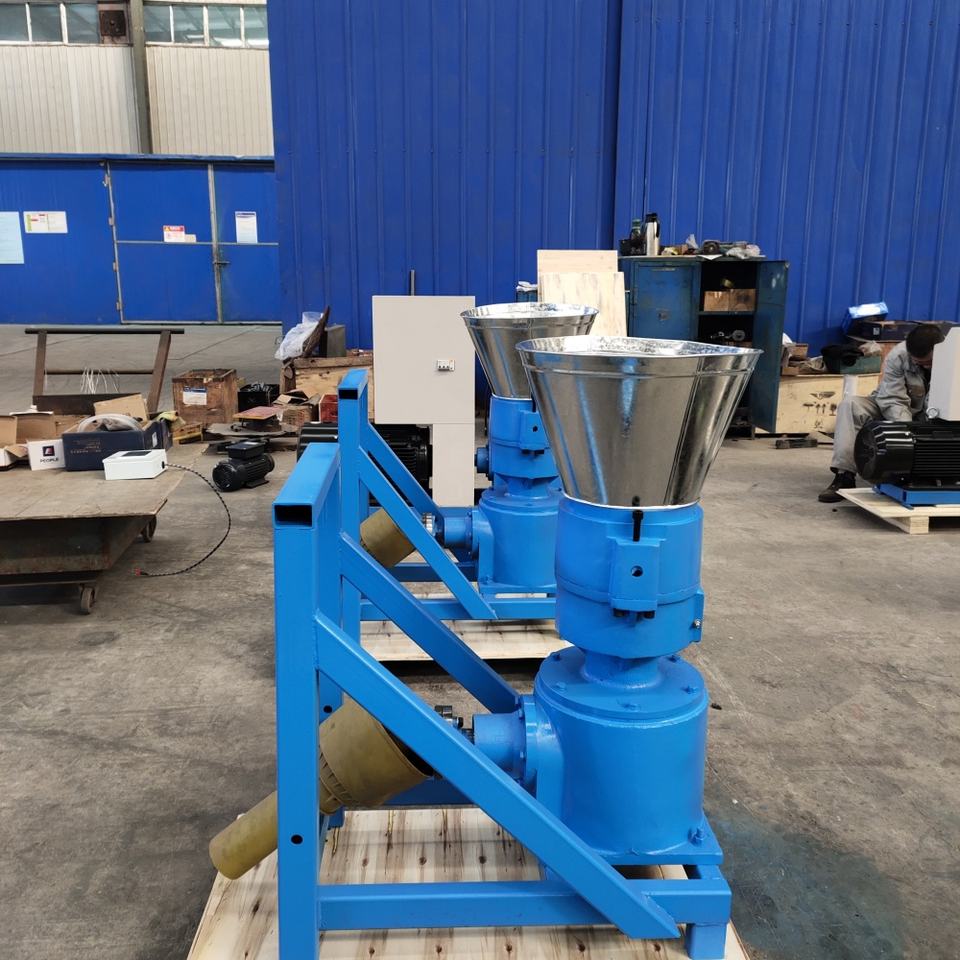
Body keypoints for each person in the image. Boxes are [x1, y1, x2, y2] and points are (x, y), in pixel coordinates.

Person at [818, 323, 945, 503]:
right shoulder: (899, 355)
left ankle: (938, 475)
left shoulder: (954, 358)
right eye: (916, 360)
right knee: (851, 406)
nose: (920, 364)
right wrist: (906, 432)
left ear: (940, 351)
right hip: (893, 408)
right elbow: (893, 398)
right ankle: (844, 476)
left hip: (932, 415)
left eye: (927, 362)